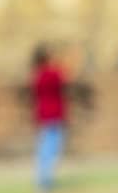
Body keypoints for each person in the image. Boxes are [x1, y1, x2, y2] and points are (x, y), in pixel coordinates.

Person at [29, 45, 67, 190]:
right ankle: (46, 178)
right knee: (52, 147)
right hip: (54, 114)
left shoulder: (36, 75)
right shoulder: (52, 74)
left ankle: (42, 177)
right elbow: (63, 80)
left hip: (42, 114)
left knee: (44, 147)